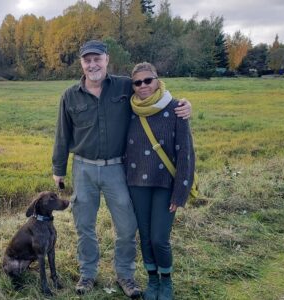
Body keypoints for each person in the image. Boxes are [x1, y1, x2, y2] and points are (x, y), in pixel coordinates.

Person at [51, 40, 191, 298]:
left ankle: (125, 274)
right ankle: (88, 273)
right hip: (83, 168)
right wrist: (58, 169)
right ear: (81, 63)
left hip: (117, 168)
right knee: (84, 225)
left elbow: (153, 89)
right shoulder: (69, 96)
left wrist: (183, 105)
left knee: (127, 226)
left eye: (97, 59)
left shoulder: (125, 85)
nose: (92, 64)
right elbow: (62, 134)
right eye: (87, 60)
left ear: (106, 60)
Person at [125, 62, 195, 300]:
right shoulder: (129, 109)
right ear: (132, 85)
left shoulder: (176, 108)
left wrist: (180, 193)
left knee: (159, 238)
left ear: (157, 80)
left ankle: (166, 281)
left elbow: (185, 154)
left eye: (148, 80)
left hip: (166, 184)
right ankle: (152, 280)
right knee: (144, 237)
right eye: (137, 82)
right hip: (136, 184)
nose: (143, 86)